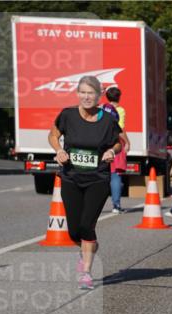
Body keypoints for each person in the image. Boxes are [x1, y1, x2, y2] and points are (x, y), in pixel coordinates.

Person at [47, 75, 122, 290]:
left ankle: (86, 272)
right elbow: (53, 135)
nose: (87, 97)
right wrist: (59, 150)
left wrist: (111, 151)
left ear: (99, 96)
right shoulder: (68, 115)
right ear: (78, 94)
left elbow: (121, 141)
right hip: (71, 177)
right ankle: (89, 246)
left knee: (87, 225)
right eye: (83, 93)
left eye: (91, 93)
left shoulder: (107, 120)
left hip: (97, 179)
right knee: (73, 231)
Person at [101, 87, 129, 213]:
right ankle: (116, 205)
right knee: (115, 175)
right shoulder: (120, 110)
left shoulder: (102, 108)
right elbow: (120, 129)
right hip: (115, 144)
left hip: (102, 143)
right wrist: (127, 142)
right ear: (119, 96)